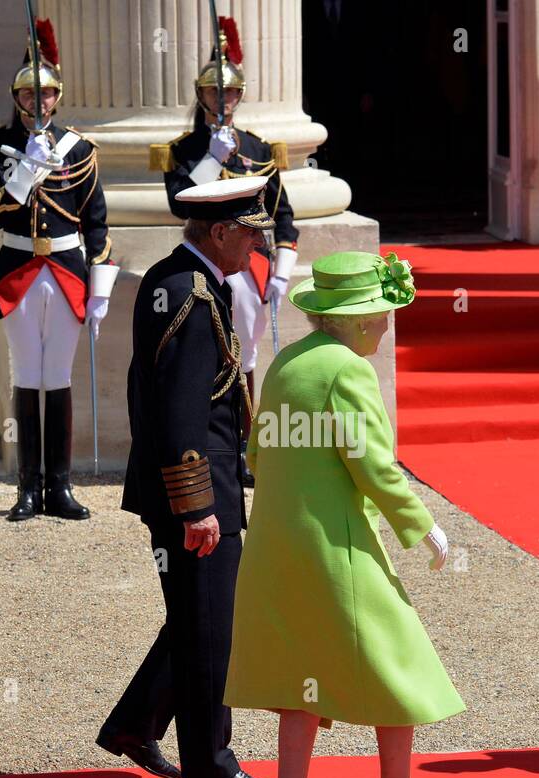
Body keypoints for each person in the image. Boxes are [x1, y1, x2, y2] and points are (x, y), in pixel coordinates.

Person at [225, 251, 466, 778]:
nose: (387, 324)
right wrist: (420, 525)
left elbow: (256, 453)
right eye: (383, 313)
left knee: (302, 673)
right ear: (359, 320)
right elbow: (374, 466)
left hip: (278, 544)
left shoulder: (286, 361)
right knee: (399, 663)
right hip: (337, 545)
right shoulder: (348, 371)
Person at [99, 176, 277, 778]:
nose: (258, 244)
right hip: (194, 494)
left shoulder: (177, 279)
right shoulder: (192, 296)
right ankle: (211, 766)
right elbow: (180, 414)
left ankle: (135, 725)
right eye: (251, 233)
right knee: (209, 631)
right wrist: (197, 506)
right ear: (221, 232)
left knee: (199, 618)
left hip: (193, 486)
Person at [0, 17, 115, 522]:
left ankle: (59, 485)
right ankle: (27, 487)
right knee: (25, 375)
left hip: (67, 266)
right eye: (30, 95)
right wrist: (27, 171)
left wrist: (99, 290)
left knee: (57, 378)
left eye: (47, 94)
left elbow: (96, 221)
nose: (39, 103)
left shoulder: (79, 148)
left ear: (57, 97)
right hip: (18, 265)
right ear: (18, 99)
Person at [149, 15, 298, 482]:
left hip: (248, 267)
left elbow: (282, 212)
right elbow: (180, 204)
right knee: (210, 354)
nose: (224, 100)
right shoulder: (186, 148)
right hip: (205, 264)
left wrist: (281, 270)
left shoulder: (258, 147)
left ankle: (243, 447)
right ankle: (213, 442)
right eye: (216, 93)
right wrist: (211, 159)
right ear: (202, 95)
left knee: (246, 359)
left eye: (231, 93)